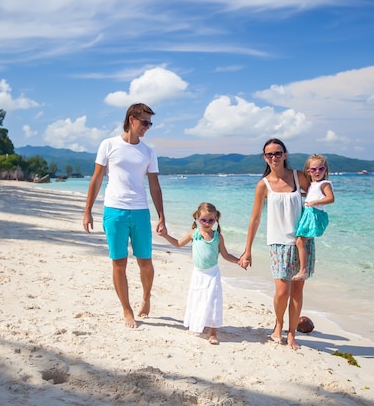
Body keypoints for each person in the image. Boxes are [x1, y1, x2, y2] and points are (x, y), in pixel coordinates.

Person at [83, 103, 166, 329]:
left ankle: (146, 297)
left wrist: (161, 216)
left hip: (140, 211)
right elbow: (97, 179)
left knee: (145, 263)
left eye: (150, 123)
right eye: (144, 122)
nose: (147, 127)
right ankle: (127, 310)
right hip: (114, 210)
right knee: (119, 263)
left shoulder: (149, 151)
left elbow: (155, 186)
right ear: (131, 119)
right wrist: (87, 210)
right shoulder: (108, 145)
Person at [239, 138, 313, 350]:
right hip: (278, 243)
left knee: (297, 291)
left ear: (285, 154)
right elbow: (254, 219)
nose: (274, 157)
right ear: (265, 157)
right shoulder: (263, 185)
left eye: (278, 153)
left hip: (302, 241)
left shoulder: (299, 177)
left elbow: (316, 197)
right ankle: (279, 324)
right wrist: (247, 250)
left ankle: (291, 334)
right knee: (282, 291)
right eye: (269, 154)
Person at [159, 202, 246, 345]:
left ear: (216, 219)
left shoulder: (218, 237)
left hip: (213, 274)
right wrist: (165, 235)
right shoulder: (194, 234)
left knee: (213, 301)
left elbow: (225, 255)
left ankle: (213, 332)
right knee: (199, 300)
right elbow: (178, 243)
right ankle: (200, 324)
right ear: (197, 218)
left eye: (211, 220)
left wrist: (239, 261)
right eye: (203, 220)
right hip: (198, 274)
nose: (207, 223)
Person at [291, 154, 334, 281]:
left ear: (325, 170)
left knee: (300, 241)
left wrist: (314, 202)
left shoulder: (324, 184)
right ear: (308, 171)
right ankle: (303, 267)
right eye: (313, 169)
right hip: (309, 213)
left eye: (321, 169)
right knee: (300, 241)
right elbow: (310, 195)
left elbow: (331, 198)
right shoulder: (313, 184)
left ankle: (303, 270)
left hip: (314, 214)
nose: (317, 172)